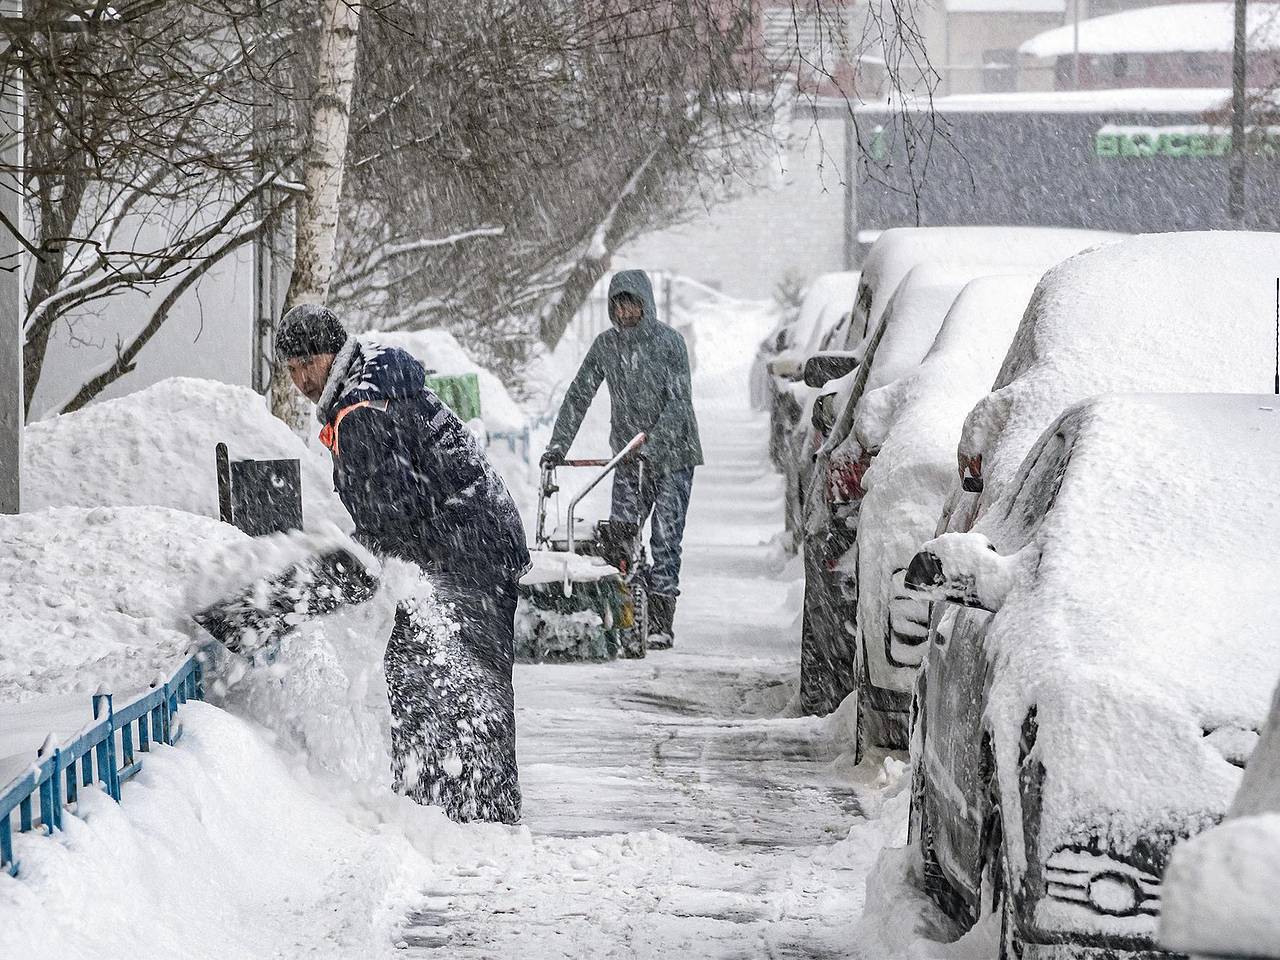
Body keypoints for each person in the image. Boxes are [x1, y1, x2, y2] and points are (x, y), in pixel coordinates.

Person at [276, 303, 530, 824]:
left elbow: (387, 526)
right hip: (470, 540)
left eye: (310, 362)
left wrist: (299, 593)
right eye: (292, 367)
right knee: (439, 678)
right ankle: (458, 809)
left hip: (465, 551)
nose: (302, 378)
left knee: (440, 681)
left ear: (334, 353)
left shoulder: (361, 411)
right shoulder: (367, 382)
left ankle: (462, 816)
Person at [542, 269, 702, 648]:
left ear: (645, 304)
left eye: (632, 304)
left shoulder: (670, 344)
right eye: (619, 305)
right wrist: (557, 446)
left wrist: (652, 442)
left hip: (674, 455)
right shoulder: (606, 347)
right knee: (621, 538)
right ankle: (624, 609)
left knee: (664, 537)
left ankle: (661, 621)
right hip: (629, 460)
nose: (626, 312)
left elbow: (680, 402)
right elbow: (579, 396)